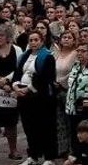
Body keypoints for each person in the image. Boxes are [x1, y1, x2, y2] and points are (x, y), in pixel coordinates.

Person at [13, 30, 57, 165]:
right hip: (24, 98)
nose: (33, 43)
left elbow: (46, 78)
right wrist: (15, 86)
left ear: (41, 41)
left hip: (41, 98)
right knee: (29, 127)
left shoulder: (48, 57)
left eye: (36, 40)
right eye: (31, 40)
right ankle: (33, 156)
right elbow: (17, 73)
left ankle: (49, 158)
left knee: (44, 127)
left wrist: (29, 88)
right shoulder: (24, 56)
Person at [0, 22, 22, 160]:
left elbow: (19, 68)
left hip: (11, 89)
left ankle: (13, 150)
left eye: (1, 35)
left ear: (8, 37)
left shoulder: (16, 49)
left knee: (11, 122)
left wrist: (6, 81)